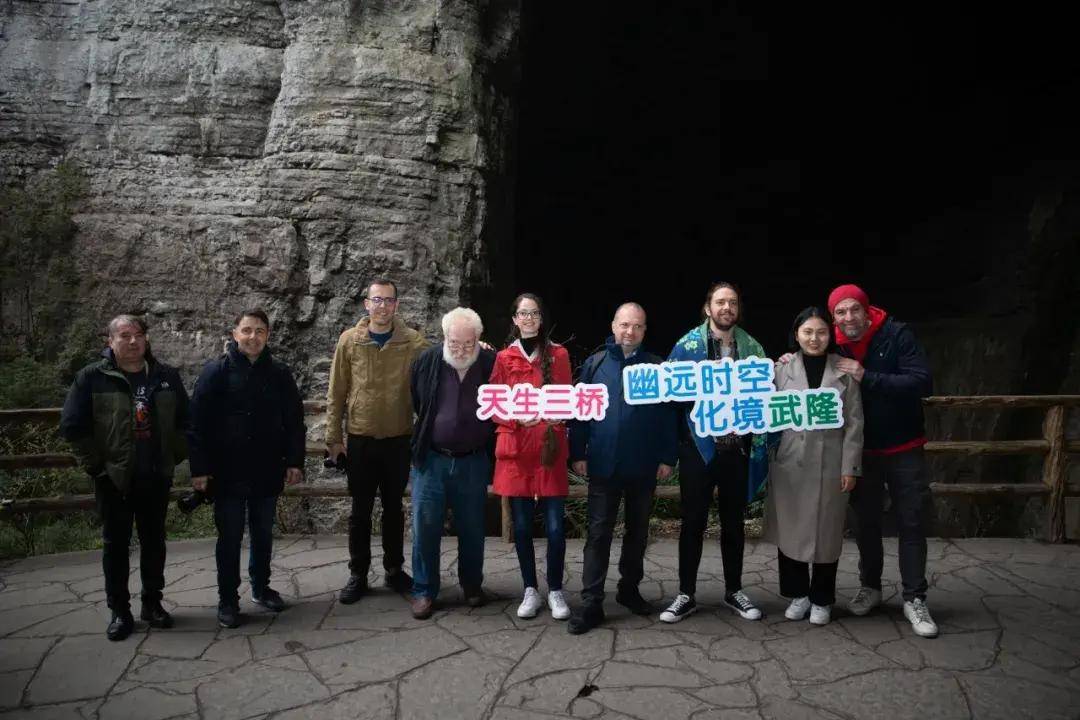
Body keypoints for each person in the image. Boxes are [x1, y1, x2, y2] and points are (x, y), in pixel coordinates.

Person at [60, 315, 189, 641]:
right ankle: (119, 611)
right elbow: (73, 427)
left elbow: (185, 421)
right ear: (110, 341)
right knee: (115, 545)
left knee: (154, 542)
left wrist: (173, 456)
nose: (133, 341)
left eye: (139, 335)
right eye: (125, 335)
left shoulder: (165, 376)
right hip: (113, 480)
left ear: (146, 339)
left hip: (155, 476)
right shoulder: (92, 377)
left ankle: (152, 603)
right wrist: (97, 468)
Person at [827, 284, 938, 638]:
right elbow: (807, 365)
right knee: (865, 523)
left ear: (866, 309)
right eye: (840, 312)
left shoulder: (896, 334)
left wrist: (866, 375)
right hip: (861, 450)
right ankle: (870, 587)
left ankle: (914, 597)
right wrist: (787, 361)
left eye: (854, 310)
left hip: (904, 445)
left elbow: (922, 381)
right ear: (833, 318)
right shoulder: (830, 343)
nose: (848, 318)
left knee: (911, 520)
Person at [187, 309, 307, 629]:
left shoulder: (279, 373)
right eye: (247, 330)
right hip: (227, 472)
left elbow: (294, 421)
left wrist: (294, 461)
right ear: (235, 333)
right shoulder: (216, 372)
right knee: (229, 537)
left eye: (260, 331)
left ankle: (261, 587)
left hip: (267, 468)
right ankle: (228, 599)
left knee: (263, 533)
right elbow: (196, 423)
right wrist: (200, 469)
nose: (253, 337)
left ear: (268, 335)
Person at [659, 281, 767, 623]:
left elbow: (766, 394)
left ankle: (734, 590)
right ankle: (685, 594)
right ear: (708, 308)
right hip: (698, 448)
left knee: (734, 523)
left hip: (736, 449)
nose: (726, 308)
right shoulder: (687, 345)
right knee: (693, 521)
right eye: (720, 302)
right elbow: (669, 396)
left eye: (732, 302)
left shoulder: (752, 348)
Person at [567, 302, 677, 634]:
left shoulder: (656, 367)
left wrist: (667, 457)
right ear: (614, 326)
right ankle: (592, 602)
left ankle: (629, 590)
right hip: (603, 463)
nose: (630, 331)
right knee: (599, 533)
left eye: (638, 326)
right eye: (625, 325)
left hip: (643, 464)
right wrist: (578, 453)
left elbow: (667, 415)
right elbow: (580, 412)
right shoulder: (596, 363)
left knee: (637, 532)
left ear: (644, 331)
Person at [326, 279, 429, 603]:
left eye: (388, 300)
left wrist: (477, 348)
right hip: (361, 438)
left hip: (398, 439)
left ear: (396, 304)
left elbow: (441, 365)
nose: (382, 306)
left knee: (394, 509)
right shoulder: (350, 341)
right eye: (377, 300)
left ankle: (394, 570)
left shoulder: (413, 342)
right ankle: (358, 573)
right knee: (360, 510)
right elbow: (336, 392)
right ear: (366, 304)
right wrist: (333, 438)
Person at [764, 307, 863, 626]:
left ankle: (822, 599)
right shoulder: (780, 369)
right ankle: (797, 594)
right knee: (790, 531)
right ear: (796, 335)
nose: (814, 338)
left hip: (830, 464)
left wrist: (850, 467)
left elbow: (854, 423)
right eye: (807, 332)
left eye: (821, 332)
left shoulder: (843, 370)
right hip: (791, 462)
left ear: (830, 335)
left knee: (827, 534)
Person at [407, 307, 496, 619]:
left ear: (479, 338)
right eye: (454, 343)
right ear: (444, 337)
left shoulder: (489, 362)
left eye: (468, 343)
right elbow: (417, 400)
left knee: (473, 527)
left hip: (473, 460)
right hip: (432, 459)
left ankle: (472, 585)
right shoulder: (427, 361)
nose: (460, 350)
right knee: (425, 526)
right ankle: (423, 590)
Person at [490, 293, 573, 620]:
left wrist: (557, 416)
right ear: (514, 319)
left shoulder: (558, 354)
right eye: (523, 313)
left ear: (541, 318)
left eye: (534, 313)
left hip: (548, 448)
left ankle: (555, 590)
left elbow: (567, 398)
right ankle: (529, 589)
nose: (528, 319)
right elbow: (493, 402)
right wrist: (514, 419)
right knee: (522, 527)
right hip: (517, 449)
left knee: (554, 528)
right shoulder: (503, 357)